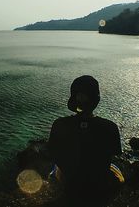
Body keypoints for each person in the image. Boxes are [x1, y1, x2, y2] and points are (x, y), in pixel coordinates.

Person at [48, 75, 123, 204]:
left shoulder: (59, 124)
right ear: (96, 99)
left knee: (53, 169)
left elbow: (53, 154)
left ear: (73, 97)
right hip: (98, 186)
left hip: (71, 185)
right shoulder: (110, 127)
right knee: (116, 168)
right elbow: (113, 155)